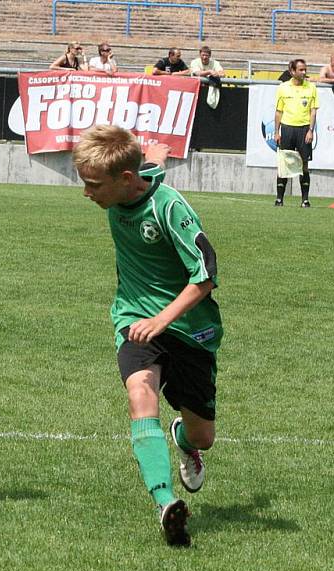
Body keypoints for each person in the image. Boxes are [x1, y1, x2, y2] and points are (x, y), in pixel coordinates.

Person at [73, 126, 223, 547]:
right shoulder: (125, 182)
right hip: (135, 319)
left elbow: (206, 275)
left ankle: (182, 440)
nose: (86, 193)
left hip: (191, 328)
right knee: (140, 395)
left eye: (92, 185)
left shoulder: (169, 208)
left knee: (203, 436)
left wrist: (163, 319)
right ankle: (165, 502)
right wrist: (152, 151)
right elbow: (149, 161)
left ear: (124, 179)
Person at [274, 59, 318, 208]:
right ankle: (279, 199)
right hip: (287, 129)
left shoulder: (311, 88)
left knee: (304, 165)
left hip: (304, 129)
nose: (304, 72)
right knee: (284, 164)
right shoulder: (283, 88)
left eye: (305, 69)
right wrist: (276, 132)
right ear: (292, 71)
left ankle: (305, 200)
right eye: (301, 70)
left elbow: (313, 111)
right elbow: (278, 111)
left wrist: (310, 130)